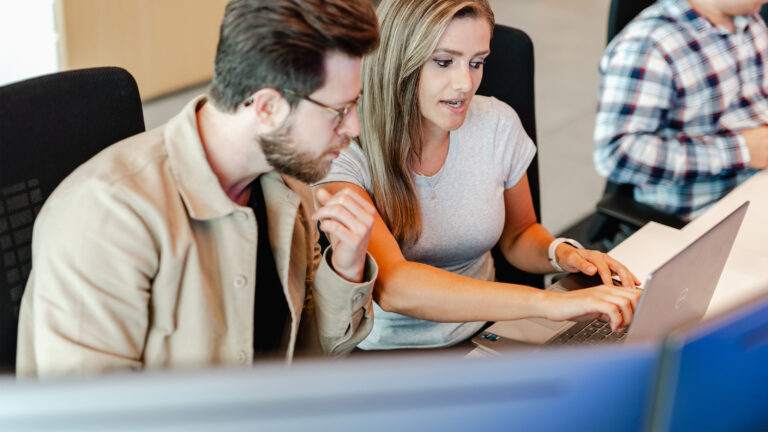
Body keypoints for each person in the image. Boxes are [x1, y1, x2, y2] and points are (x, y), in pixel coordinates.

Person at [17, 0, 380, 378]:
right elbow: (92, 417)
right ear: (268, 107)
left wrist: (346, 269)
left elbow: (299, 361)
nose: (353, 127)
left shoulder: (287, 182)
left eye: (354, 104)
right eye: (338, 111)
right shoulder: (106, 216)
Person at [314, 0, 641, 351]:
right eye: (443, 62)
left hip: (488, 331)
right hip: (392, 352)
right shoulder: (342, 147)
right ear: (400, 60)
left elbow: (518, 235)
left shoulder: (497, 123)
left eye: (477, 63)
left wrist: (562, 253)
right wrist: (550, 304)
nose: (465, 83)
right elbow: (393, 286)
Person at [594, 0, 768, 221]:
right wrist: (742, 151)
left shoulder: (748, 19)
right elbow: (616, 154)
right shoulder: (648, 46)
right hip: (707, 213)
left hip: (758, 187)